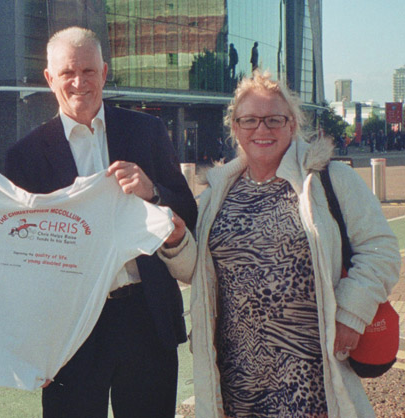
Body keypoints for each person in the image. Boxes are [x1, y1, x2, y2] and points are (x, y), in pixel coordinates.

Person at [158, 71, 400, 417]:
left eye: (274, 119)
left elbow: (382, 253)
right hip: (238, 377)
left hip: (312, 376)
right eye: (250, 120)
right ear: (236, 128)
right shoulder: (217, 193)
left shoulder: (329, 179)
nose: (262, 129)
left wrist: (351, 312)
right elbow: (197, 274)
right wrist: (179, 241)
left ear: (292, 125)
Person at [5, 26, 198, 417]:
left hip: (145, 317)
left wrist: (153, 192)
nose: (79, 82)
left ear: (105, 73)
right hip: (71, 328)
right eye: (67, 73)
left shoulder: (147, 131)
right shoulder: (24, 156)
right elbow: (17, 262)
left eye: (89, 71)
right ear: (49, 79)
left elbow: (188, 212)